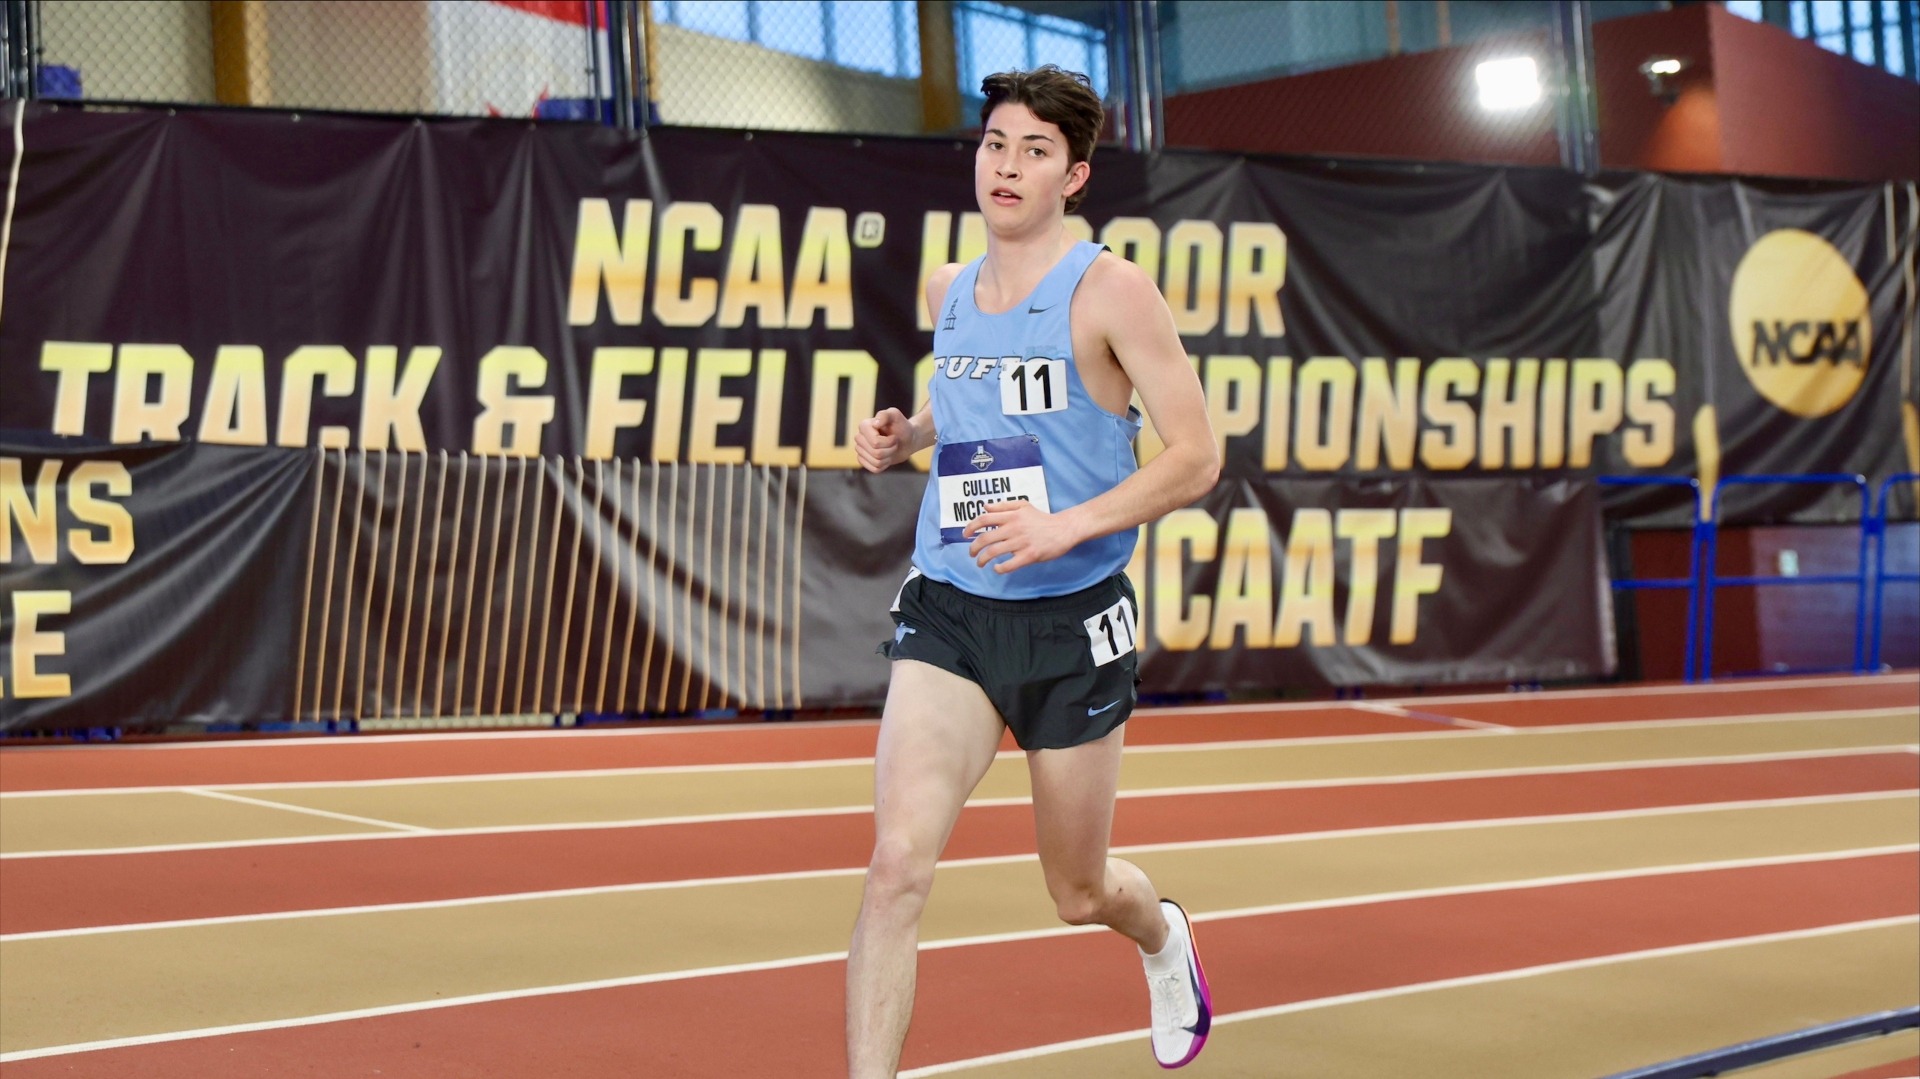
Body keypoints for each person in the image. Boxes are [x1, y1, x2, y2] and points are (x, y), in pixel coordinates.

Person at [845, 65, 1222, 1076]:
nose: (1007, 167)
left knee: (1078, 890)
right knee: (894, 867)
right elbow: (967, 406)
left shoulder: (1112, 292)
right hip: (952, 605)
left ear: (1076, 177)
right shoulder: (948, 290)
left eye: (1035, 152)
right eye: (995, 145)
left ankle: (1161, 936)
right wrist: (906, 432)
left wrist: (1068, 526)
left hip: (1072, 618)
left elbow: (1196, 456)